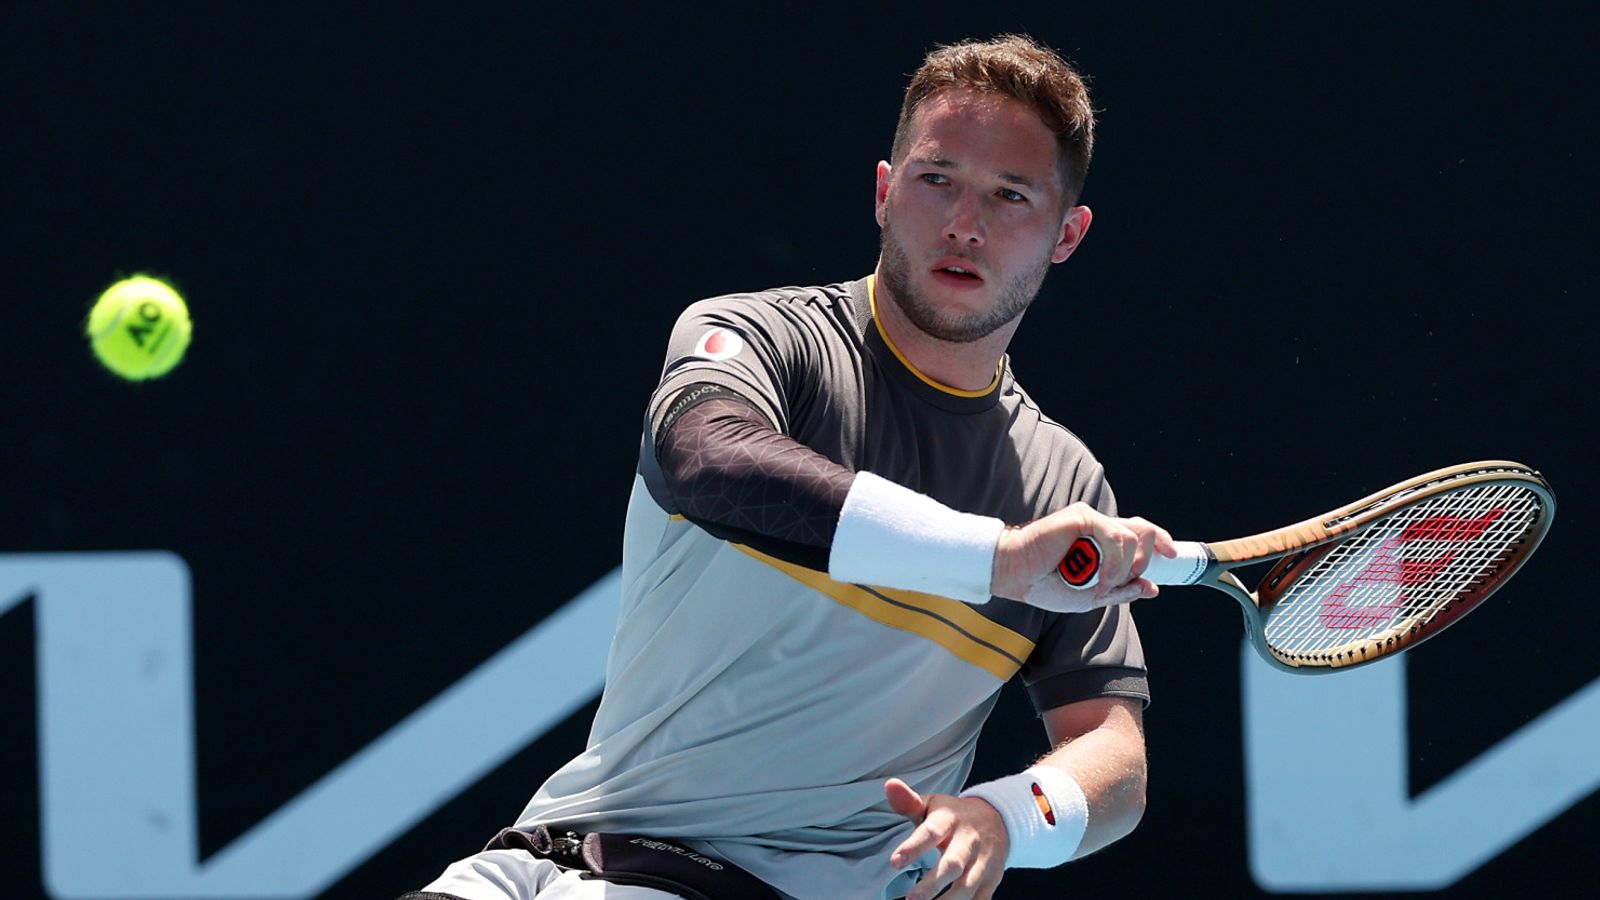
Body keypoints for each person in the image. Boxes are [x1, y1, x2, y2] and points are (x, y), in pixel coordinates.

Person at [403, 33, 1175, 900]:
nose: (964, 222)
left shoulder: (1062, 482)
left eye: (1010, 195)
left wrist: (1005, 814)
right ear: (884, 192)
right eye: (937, 179)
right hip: (547, 856)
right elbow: (707, 460)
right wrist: (994, 560)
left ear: (1066, 234)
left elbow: (1115, 757)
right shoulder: (769, 343)